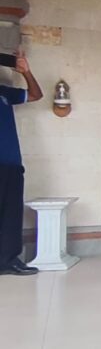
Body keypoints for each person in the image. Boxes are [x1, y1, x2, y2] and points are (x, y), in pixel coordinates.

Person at [0, 50, 42, 276]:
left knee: (11, 214)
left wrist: (26, 72)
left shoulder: (4, 93)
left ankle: (8, 261)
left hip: (11, 163)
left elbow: (36, 95)